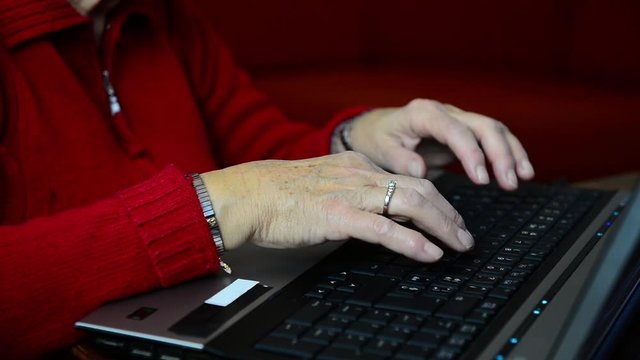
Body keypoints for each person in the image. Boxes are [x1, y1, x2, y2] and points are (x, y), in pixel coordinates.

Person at [0, 0, 535, 358]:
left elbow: (261, 154)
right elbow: (248, 192)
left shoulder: (161, 16)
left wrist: (357, 139)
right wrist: (221, 203)